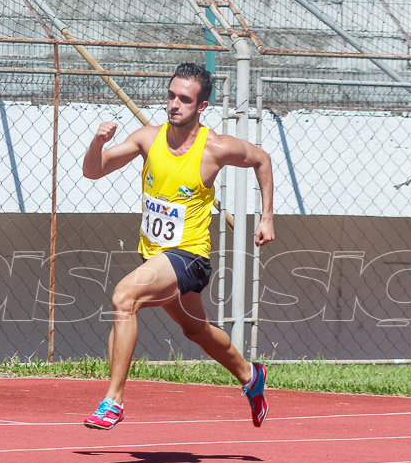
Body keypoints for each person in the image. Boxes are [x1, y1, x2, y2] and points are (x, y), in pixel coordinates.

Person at [81, 62, 275, 430]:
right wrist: (97, 143)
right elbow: (94, 170)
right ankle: (251, 376)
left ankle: (113, 401)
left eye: (184, 99)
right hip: (155, 255)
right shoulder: (147, 138)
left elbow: (261, 160)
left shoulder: (215, 148)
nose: (174, 104)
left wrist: (266, 217)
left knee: (125, 298)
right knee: (195, 329)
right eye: (171, 96)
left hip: (189, 257)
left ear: (201, 107)